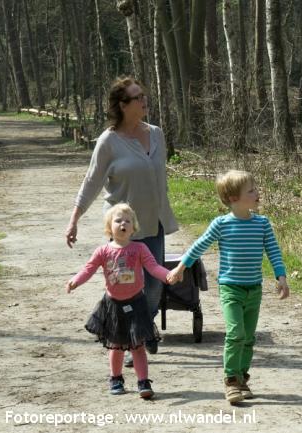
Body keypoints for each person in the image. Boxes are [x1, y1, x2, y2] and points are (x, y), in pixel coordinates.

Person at [65, 76, 178, 361]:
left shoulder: (156, 133)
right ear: (123, 105)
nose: (144, 100)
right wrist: (74, 219)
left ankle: (144, 325)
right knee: (127, 285)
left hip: (154, 222)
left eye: (143, 95)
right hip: (123, 228)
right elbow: (91, 182)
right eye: (138, 97)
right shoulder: (109, 141)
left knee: (152, 287)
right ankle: (133, 338)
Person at [167, 170, 290, 404]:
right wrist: (179, 268)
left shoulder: (262, 224)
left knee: (249, 337)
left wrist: (281, 277)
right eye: (251, 190)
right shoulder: (221, 224)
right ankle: (231, 380)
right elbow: (198, 247)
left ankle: (243, 378)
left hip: (254, 288)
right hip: (230, 288)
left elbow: (273, 251)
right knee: (236, 334)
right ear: (234, 198)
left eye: (255, 188)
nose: (257, 193)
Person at [66, 204, 171, 399]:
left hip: (137, 303)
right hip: (113, 305)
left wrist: (168, 275)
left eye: (127, 221)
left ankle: (143, 381)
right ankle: (116, 378)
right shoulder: (103, 251)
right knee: (115, 346)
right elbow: (88, 269)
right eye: (118, 220)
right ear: (109, 227)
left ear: (133, 228)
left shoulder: (140, 248)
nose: (123, 224)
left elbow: (153, 267)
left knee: (138, 346)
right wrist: (75, 281)